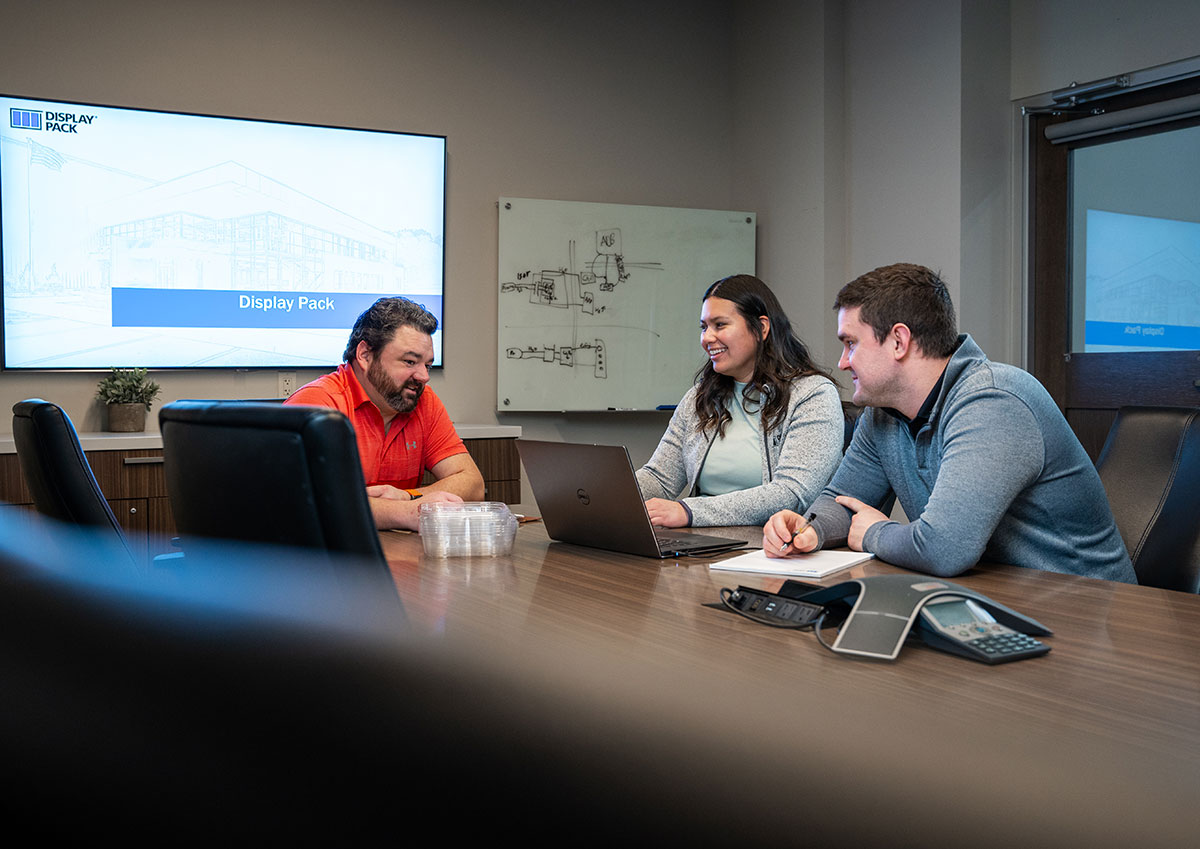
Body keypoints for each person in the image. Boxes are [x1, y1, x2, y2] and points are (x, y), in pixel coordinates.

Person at [763, 263, 1135, 582]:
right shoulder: (882, 414)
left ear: (898, 341)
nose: (843, 362)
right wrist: (807, 529)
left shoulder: (993, 401)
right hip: (994, 595)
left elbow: (944, 549)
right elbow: (842, 500)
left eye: (851, 344)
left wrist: (875, 532)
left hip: (1090, 613)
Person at [635, 274, 844, 528]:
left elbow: (792, 494)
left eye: (720, 325)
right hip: (702, 544)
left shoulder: (812, 394)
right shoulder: (698, 398)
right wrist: (607, 496)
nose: (707, 338)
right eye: (703, 327)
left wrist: (689, 511)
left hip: (772, 548)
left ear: (761, 328)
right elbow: (659, 479)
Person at [286, 297, 484, 530]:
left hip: (396, 554)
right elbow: (307, 502)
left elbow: (473, 484)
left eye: (427, 365)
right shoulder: (317, 404)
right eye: (410, 361)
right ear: (365, 356)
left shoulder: (424, 401)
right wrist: (408, 512)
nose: (423, 376)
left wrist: (407, 497)